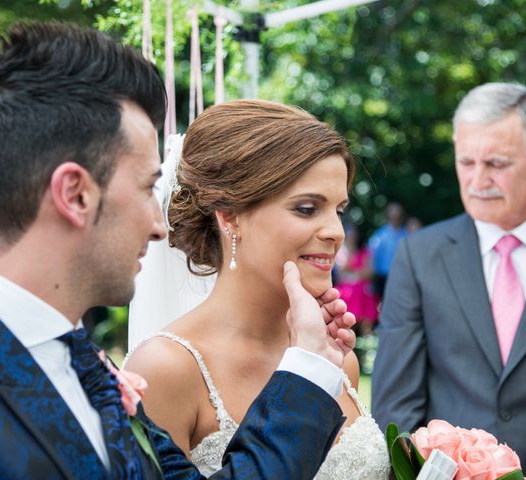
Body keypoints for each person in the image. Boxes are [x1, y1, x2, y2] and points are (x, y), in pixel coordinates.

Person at [0, 22, 359, 480]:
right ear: (75, 194)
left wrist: (310, 367)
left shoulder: (94, 369)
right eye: (146, 188)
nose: (161, 227)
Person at [125, 100, 390, 479]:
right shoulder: (167, 369)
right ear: (230, 216)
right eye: (306, 208)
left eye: (339, 210)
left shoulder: (335, 360)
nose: (336, 232)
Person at [372, 82, 526, 480]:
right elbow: (396, 405)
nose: (477, 180)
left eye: (497, 164)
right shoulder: (419, 256)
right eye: (466, 162)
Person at [334, 226, 378, 334]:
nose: (351, 238)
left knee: (363, 291)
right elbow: (340, 275)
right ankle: (347, 333)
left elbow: (369, 273)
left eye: (353, 236)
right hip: (346, 288)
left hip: (362, 287)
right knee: (347, 293)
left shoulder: (365, 252)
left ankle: (367, 337)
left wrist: (353, 275)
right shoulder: (341, 252)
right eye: (349, 236)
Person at [368, 202, 407, 299]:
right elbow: (370, 256)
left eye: (397, 212)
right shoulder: (379, 235)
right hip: (382, 277)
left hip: (401, 277)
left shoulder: (406, 235)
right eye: (392, 212)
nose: (395, 215)